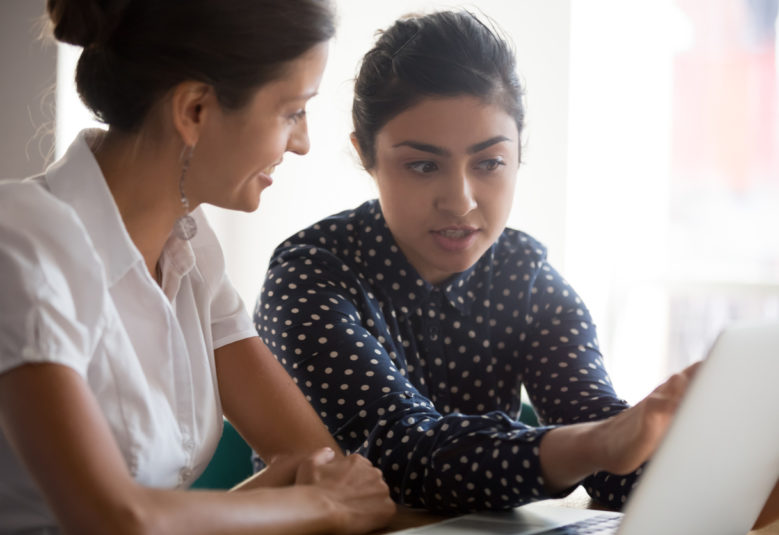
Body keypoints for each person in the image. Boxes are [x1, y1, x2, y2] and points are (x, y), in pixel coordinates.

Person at [254, 10, 700, 514]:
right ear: (366, 156)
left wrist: (713, 464)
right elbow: (403, 456)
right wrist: (596, 444)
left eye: (489, 163)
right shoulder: (310, 277)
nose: (460, 201)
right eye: (423, 165)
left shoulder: (524, 276)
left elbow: (611, 446)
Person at [0, 1, 396, 533]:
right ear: (193, 111)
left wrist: (318, 498)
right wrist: (322, 506)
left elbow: (315, 463)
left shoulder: (190, 246)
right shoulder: (19, 239)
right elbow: (111, 518)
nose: (301, 143)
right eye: (291, 111)